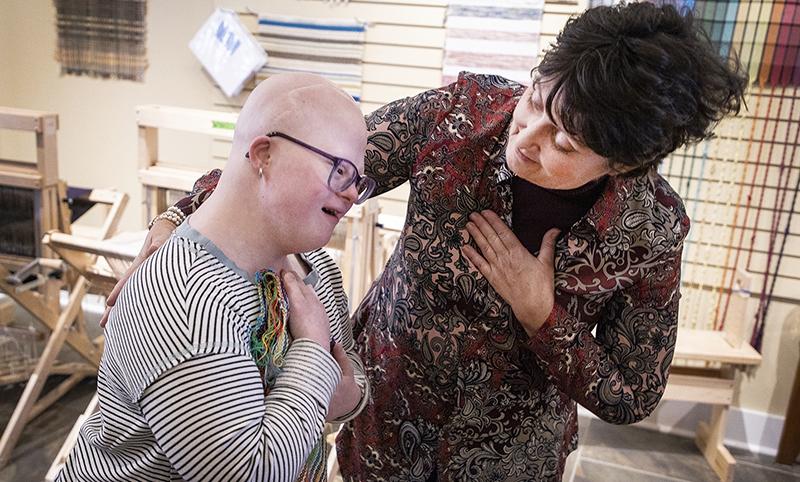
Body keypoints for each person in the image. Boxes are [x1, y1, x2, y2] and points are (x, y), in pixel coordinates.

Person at [104, 3, 748, 480]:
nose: (526, 140)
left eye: (566, 145)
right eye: (534, 103)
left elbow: (632, 394)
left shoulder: (651, 230)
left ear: (624, 163)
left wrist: (541, 314)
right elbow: (316, 169)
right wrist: (180, 223)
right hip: (378, 412)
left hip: (507, 460)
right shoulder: (459, 117)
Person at [59, 73, 372, 481]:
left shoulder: (315, 267)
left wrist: (344, 394)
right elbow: (247, 473)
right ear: (264, 155)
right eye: (340, 170)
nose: (351, 194)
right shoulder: (182, 297)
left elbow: (350, 378)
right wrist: (312, 350)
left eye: (358, 181)